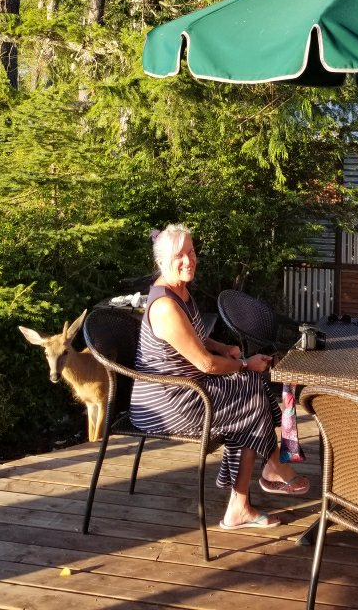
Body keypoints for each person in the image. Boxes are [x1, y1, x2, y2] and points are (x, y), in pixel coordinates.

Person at [130, 223, 309, 530]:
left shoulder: (180, 289)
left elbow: (195, 338)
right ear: (161, 262)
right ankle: (267, 472)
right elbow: (205, 364)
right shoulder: (164, 306)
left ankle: (252, 491)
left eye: (191, 252)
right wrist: (245, 365)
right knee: (251, 393)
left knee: (255, 387)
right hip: (168, 403)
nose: (188, 260)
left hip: (191, 388)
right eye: (179, 255)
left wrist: (223, 347)